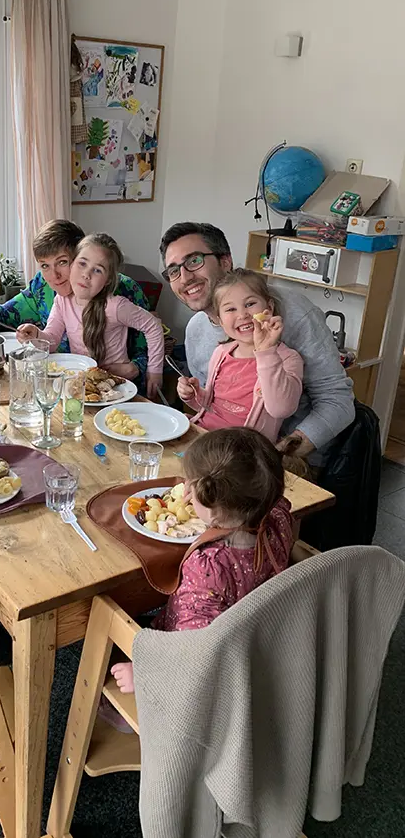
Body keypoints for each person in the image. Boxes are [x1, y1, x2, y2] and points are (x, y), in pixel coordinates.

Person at [109, 427, 294, 698]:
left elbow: (196, 652)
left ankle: (118, 717)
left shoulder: (207, 567)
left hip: (205, 674)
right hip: (259, 645)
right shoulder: (278, 518)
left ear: (212, 507)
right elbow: (279, 502)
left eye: (192, 486)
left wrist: (146, 674)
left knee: (111, 634)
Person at [160, 221, 355, 461]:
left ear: (225, 261)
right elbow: (214, 406)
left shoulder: (294, 313)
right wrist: (192, 395)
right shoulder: (196, 330)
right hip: (216, 451)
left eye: (194, 261)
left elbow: (337, 401)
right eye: (173, 271)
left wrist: (275, 458)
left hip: (287, 457)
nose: (185, 277)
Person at [0, 219, 152, 391]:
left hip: (116, 391)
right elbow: (5, 314)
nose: (54, 276)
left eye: (62, 262)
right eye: (44, 265)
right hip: (60, 388)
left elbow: (151, 342)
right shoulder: (42, 286)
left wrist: (136, 368)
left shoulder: (123, 289)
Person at [16, 233, 165, 397]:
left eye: (97, 270)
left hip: (116, 387)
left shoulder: (115, 306)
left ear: (108, 280)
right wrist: (35, 336)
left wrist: (155, 370)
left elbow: (153, 326)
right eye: (82, 264)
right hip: (82, 385)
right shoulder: (62, 301)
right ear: (72, 265)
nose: (86, 274)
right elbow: (52, 340)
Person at [179, 268, 303, 441]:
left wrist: (266, 351)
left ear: (269, 308)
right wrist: (194, 395)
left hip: (243, 450)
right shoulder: (221, 352)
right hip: (205, 435)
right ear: (220, 321)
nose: (242, 314)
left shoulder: (288, 359)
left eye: (250, 304)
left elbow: (281, 409)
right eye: (230, 309)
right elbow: (212, 405)